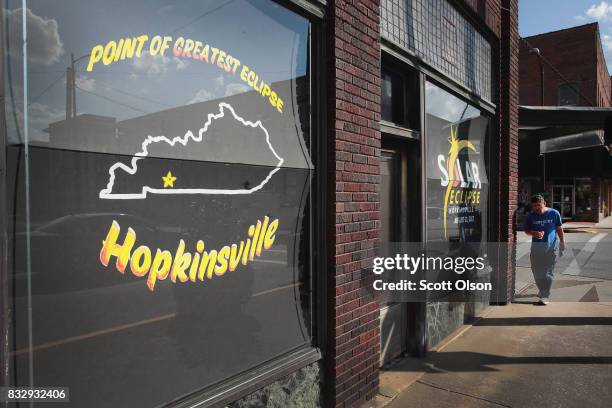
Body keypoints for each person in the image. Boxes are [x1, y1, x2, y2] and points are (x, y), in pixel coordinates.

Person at [523, 194, 565, 305]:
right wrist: (534, 233)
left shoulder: (554, 213)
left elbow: (559, 229)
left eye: (538, 205)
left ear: (544, 203)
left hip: (552, 248)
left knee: (548, 272)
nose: (537, 208)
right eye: (534, 206)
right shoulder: (530, 216)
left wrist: (562, 242)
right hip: (537, 248)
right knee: (536, 271)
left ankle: (545, 295)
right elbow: (526, 230)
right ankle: (542, 290)